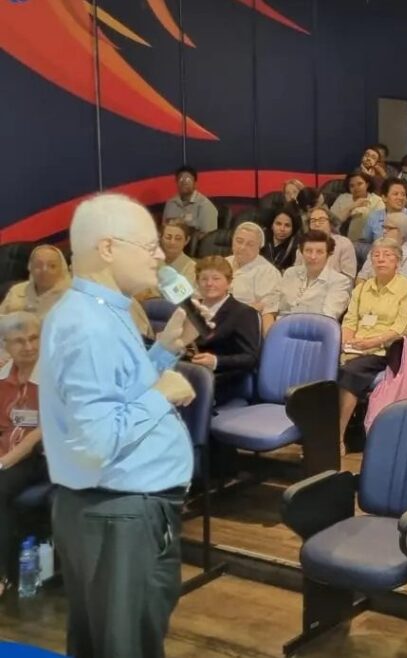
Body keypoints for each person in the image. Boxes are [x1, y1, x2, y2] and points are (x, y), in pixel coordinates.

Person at [38, 193, 206, 657]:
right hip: (119, 515)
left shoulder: (102, 311)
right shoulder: (88, 325)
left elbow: (117, 392)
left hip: (117, 512)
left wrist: (165, 350)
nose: (160, 256)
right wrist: (160, 394)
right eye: (149, 245)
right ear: (108, 248)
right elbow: (96, 440)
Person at [337, 238, 407, 443]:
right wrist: (347, 341)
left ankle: (337, 436)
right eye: (376, 255)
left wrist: (372, 343)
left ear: (398, 261)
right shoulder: (362, 288)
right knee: (323, 365)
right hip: (356, 347)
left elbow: (401, 329)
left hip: (385, 350)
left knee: (350, 371)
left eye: (387, 255)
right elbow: (350, 320)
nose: (381, 259)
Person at [0, 312, 46, 598]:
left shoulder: (54, 376)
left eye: (33, 338)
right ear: (5, 345)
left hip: (40, 456)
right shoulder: (2, 376)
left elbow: (41, 432)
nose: (28, 346)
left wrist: (5, 461)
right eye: (19, 341)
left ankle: (2, 574)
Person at [188, 256, 260, 405]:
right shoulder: (191, 309)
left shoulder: (244, 313)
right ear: (197, 282)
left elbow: (250, 358)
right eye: (204, 279)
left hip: (222, 380)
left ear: (229, 282)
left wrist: (216, 361)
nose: (209, 283)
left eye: (216, 278)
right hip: (189, 372)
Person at [278, 230, 352, 320]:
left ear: (328, 255)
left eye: (319, 252)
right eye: (308, 251)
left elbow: (328, 317)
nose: (313, 256)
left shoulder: (340, 281)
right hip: (283, 325)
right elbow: (279, 308)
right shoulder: (290, 273)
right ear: (301, 252)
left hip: (316, 327)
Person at [226, 221, 281, 335]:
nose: (242, 247)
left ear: (259, 248)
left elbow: (267, 311)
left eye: (250, 244)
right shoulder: (223, 263)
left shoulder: (268, 272)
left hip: (244, 328)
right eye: (239, 241)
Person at [356, 212, 407, 285]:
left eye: (389, 228)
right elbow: (361, 277)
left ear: (403, 232)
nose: (384, 231)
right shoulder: (376, 249)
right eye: (384, 227)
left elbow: (403, 284)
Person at [0, 244, 70, 318]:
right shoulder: (17, 290)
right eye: (38, 265)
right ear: (30, 267)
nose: (44, 270)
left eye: (52, 266)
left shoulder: (71, 296)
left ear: (62, 269)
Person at [363, 178, 407, 250]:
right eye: (395, 194)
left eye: (403, 194)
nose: (400, 198)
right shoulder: (374, 217)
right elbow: (364, 244)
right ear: (384, 198)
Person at [298, 206, 358, 280]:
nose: (317, 224)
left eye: (321, 220)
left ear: (330, 223)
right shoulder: (303, 244)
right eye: (313, 221)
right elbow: (297, 272)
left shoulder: (344, 243)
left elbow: (349, 277)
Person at [162, 164, 217, 236]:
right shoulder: (170, 204)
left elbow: (208, 236)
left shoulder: (205, 205)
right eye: (181, 179)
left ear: (195, 184)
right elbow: (164, 229)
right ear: (176, 183)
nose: (184, 182)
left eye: (188, 180)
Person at [329, 171, 384, 239]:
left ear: (367, 184)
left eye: (359, 184)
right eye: (352, 186)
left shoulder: (377, 201)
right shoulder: (342, 198)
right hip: (338, 238)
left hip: (365, 241)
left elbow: (379, 227)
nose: (356, 188)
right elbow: (332, 222)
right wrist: (352, 206)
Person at [262, 204, 300, 272]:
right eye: (278, 224)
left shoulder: (296, 246)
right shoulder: (261, 238)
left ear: (293, 229)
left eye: (287, 225)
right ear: (272, 225)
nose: (282, 229)